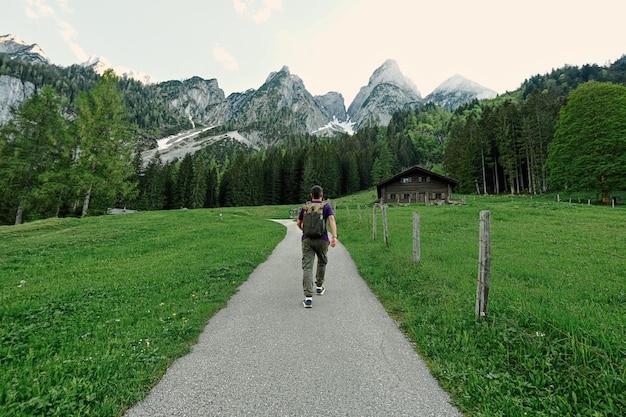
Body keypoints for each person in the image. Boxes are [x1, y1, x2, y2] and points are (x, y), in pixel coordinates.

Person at [297, 185, 338, 308]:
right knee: (322, 262)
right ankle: (319, 287)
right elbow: (331, 220)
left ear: (311, 195)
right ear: (322, 195)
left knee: (307, 267)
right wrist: (334, 236)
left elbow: (299, 223)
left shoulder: (305, 208)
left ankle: (308, 298)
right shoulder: (326, 206)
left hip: (307, 240)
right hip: (322, 240)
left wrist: (305, 231)